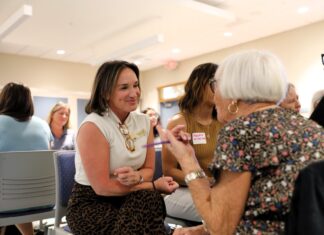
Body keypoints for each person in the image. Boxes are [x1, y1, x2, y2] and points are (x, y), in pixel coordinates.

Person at [157, 50, 324, 234]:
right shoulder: (312, 128)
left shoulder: (239, 132)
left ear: (233, 91)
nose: (215, 95)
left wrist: (187, 159)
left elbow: (220, 227)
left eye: (216, 85)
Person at [66, 60, 179, 235]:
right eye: (124, 87)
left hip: (131, 198)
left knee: (147, 202)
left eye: (136, 85)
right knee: (148, 204)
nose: (134, 93)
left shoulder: (144, 122)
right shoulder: (93, 126)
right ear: (105, 92)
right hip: (92, 204)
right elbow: (102, 188)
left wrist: (138, 176)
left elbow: (148, 169)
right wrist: (153, 186)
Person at [162, 63, 222, 223]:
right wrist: (205, 181)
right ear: (199, 84)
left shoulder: (222, 122)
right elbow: (168, 171)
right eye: (214, 83)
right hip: (181, 191)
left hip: (215, 189)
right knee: (223, 212)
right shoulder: (179, 122)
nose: (220, 89)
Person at [0, 82, 51, 235]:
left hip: (6, 201)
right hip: (43, 200)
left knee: (9, 192)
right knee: (18, 192)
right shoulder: (43, 125)